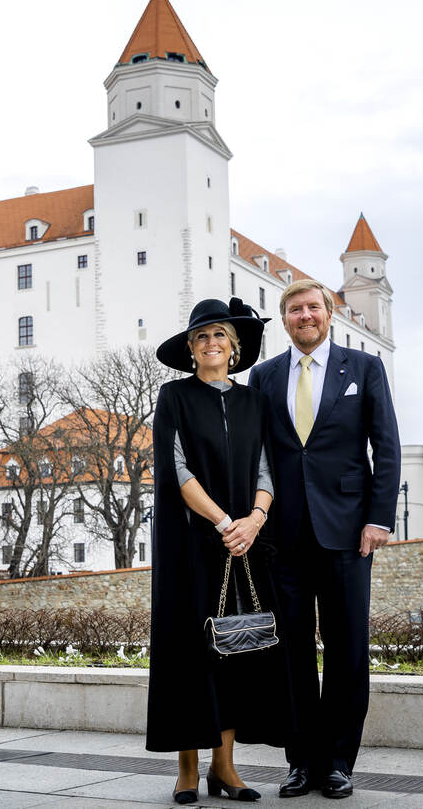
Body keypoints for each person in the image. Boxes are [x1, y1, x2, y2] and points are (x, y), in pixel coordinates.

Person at [248, 278, 400, 800]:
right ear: (285, 319)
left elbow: (387, 445)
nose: (304, 316)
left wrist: (379, 518)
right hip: (282, 536)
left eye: (313, 307)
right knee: (289, 653)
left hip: (348, 533)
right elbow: (255, 455)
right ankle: (300, 761)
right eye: (294, 310)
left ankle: (337, 762)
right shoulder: (263, 377)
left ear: (329, 314)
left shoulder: (364, 369)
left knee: (347, 650)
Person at [147, 297, 292, 805]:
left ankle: (225, 768)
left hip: (246, 544)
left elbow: (267, 469)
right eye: (202, 337)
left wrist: (254, 519)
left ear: (234, 348)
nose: (212, 344)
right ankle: (188, 769)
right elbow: (176, 468)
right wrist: (224, 521)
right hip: (192, 544)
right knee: (190, 653)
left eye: (220, 337)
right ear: (191, 350)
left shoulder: (255, 403)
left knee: (235, 653)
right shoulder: (175, 398)